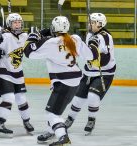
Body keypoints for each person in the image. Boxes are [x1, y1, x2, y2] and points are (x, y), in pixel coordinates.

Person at [23, 16, 96, 146]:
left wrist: (33, 36)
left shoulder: (50, 42)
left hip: (63, 82)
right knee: (57, 110)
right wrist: (92, 43)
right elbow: (91, 55)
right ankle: (51, 131)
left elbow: (29, 52)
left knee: (51, 113)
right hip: (75, 81)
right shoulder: (76, 39)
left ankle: (63, 138)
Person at [64, 13, 116, 135]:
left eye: (92, 22)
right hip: (88, 72)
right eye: (90, 22)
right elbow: (87, 53)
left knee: (93, 96)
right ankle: (70, 119)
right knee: (78, 98)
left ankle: (91, 120)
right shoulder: (89, 34)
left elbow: (106, 59)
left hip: (104, 73)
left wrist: (95, 52)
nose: (89, 24)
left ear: (100, 24)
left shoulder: (106, 36)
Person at [0, 13, 34, 138]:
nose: (18, 24)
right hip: (2, 70)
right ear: (9, 24)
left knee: (22, 99)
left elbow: (33, 45)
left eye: (19, 22)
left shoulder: (24, 36)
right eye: (15, 22)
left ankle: (26, 122)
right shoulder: (4, 35)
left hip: (17, 72)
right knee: (9, 98)